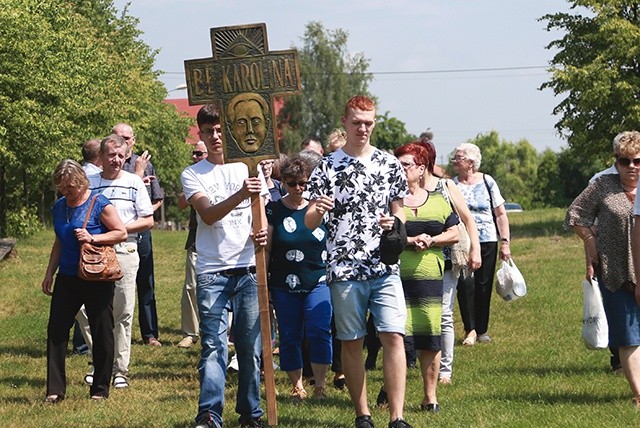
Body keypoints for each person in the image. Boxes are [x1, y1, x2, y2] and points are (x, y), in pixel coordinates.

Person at [305, 95, 412, 428]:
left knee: (393, 335)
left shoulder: (389, 164)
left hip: (384, 266)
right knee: (351, 340)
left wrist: (396, 225)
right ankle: (362, 414)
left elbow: (401, 210)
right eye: (356, 122)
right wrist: (318, 210)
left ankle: (397, 417)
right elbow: (309, 220)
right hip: (344, 266)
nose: (363, 128)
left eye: (368, 122)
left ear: (374, 122)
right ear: (345, 121)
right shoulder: (327, 165)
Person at [181, 104, 267, 428]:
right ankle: (209, 413)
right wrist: (241, 194)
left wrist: (261, 234)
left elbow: (261, 213)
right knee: (213, 345)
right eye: (208, 131)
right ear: (200, 134)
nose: (215, 136)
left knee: (249, 346)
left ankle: (250, 413)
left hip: (247, 267)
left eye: (219, 129)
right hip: (212, 270)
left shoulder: (249, 166)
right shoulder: (193, 173)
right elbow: (208, 214)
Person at [42, 159, 127, 403]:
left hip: (96, 276)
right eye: (61, 187)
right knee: (56, 330)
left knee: (101, 332)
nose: (66, 191)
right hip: (67, 277)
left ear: (81, 181)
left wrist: (93, 237)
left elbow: (120, 232)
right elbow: (59, 241)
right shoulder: (59, 206)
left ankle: (100, 389)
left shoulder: (99, 203)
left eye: (70, 186)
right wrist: (49, 273)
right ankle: (55, 390)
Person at [566, 131, 640, 406]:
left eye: (637, 160)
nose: (631, 166)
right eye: (624, 161)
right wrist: (589, 240)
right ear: (616, 161)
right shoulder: (602, 185)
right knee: (628, 335)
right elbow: (575, 214)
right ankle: (638, 394)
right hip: (615, 270)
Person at [79, 134, 155, 389]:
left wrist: (120, 228)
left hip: (124, 249)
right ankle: (100, 361)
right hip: (94, 251)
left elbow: (148, 219)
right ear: (101, 157)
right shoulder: (89, 183)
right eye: (112, 155)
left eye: (121, 156)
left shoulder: (134, 182)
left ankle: (120, 369)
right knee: (89, 312)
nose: (117, 160)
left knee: (122, 312)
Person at [393, 142, 459, 412]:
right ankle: (391, 390)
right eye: (397, 164)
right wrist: (409, 239)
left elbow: (454, 233)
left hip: (430, 278)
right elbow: (383, 237)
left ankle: (429, 396)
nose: (401, 169)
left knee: (430, 336)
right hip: (395, 278)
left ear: (421, 169)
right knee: (396, 336)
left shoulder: (438, 200)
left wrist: (432, 240)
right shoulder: (391, 202)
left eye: (406, 165)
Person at [265, 155, 332, 402]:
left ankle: (320, 385)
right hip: (283, 282)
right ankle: (297, 385)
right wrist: (266, 283)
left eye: (303, 183)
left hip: (318, 279)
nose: (298, 189)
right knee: (290, 335)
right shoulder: (273, 209)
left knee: (319, 331)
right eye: (292, 183)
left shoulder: (321, 208)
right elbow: (269, 248)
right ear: (282, 182)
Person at [452, 142, 511, 346]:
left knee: (483, 285)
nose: (454, 160)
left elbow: (500, 214)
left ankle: (482, 329)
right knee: (465, 284)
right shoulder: (452, 184)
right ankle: (470, 329)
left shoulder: (487, 181)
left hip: (487, 239)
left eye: (458, 157)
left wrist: (505, 243)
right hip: (462, 242)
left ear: (470, 162)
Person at [114, 123, 164, 347]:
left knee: (146, 282)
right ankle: (109, 330)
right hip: (114, 233)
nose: (123, 141)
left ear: (133, 140)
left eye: (127, 137)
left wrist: (143, 214)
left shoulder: (145, 164)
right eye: (118, 137)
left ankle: (150, 334)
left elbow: (157, 199)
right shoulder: (110, 165)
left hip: (141, 232)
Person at [177, 142, 210, 349]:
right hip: (196, 240)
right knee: (191, 286)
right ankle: (191, 333)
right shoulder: (191, 175)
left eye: (199, 153)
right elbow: (181, 204)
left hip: (220, 242)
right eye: (194, 153)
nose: (195, 156)